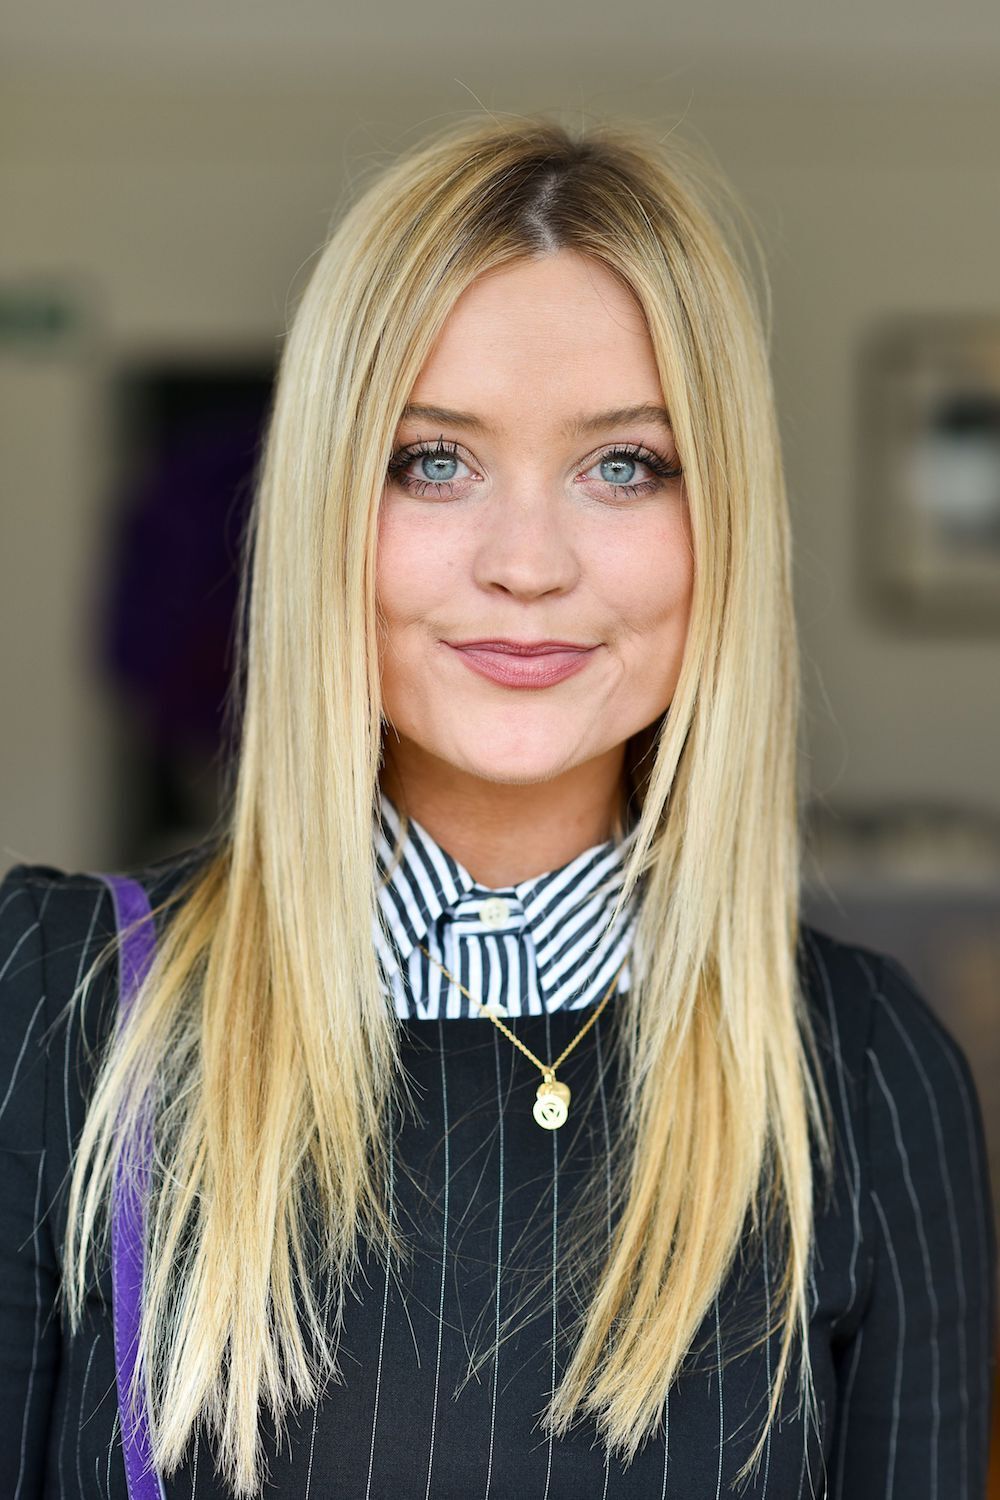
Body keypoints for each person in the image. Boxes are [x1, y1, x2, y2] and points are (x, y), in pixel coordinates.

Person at [0, 113, 995, 1500]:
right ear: (327, 507)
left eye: (625, 465)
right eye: (434, 461)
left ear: (724, 531)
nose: (526, 562)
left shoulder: (868, 1077)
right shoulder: (59, 1003)